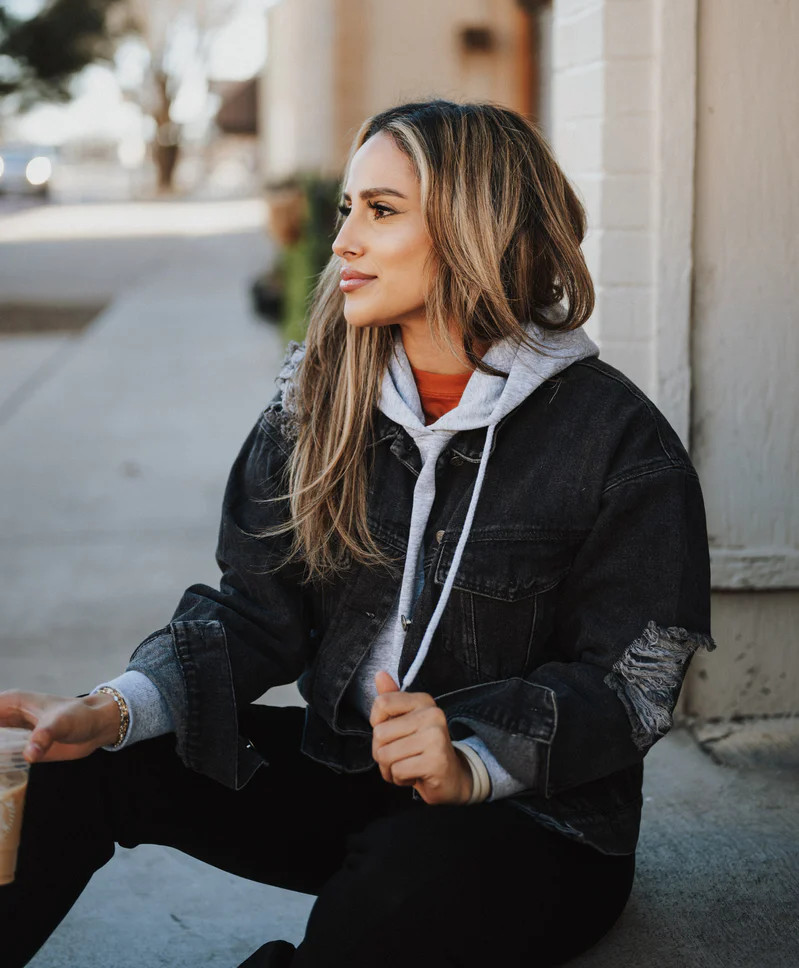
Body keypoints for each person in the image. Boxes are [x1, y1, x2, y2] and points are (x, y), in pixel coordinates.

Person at [0, 99, 716, 968]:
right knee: (78, 764)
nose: (342, 240)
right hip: (350, 779)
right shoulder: (316, 403)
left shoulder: (614, 441)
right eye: (347, 209)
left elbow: (633, 681)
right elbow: (253, 614)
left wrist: (473, 757)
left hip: (534, 822)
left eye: (380, 211)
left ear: (473, 227)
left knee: (391, 890)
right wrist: (113, 709)